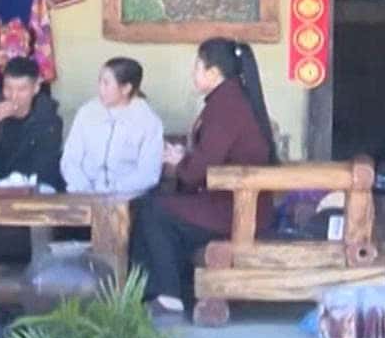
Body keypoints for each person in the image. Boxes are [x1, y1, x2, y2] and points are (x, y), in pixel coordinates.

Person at [132, 38, 275, 319]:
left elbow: (201, 168)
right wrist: (185, 158)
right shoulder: (230, 99)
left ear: (214, 72)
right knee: (155, 204)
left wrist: (179, 164)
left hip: (237, 209)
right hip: (229, 202)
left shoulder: (227, 106)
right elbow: (212, 156)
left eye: (197, 66)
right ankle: (159, 293)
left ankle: (168, 296)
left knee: (152, 209)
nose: (193, 73)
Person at [61, 57, 165, 197]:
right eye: (99, 82)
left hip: (128, 198)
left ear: (126, 88)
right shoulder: (86, 113)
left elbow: (148, 174)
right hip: (83, 196)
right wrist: (84, 189)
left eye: (106, 83)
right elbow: (70, 160)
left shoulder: (148, 122)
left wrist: (113, 191)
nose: (100, 88)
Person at [0, 57, 65, 190]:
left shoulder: (49, 121)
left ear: (36, 88)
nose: (13, 96)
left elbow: (43, 172)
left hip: (31, 192)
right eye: (8, 88)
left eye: (21, 89)